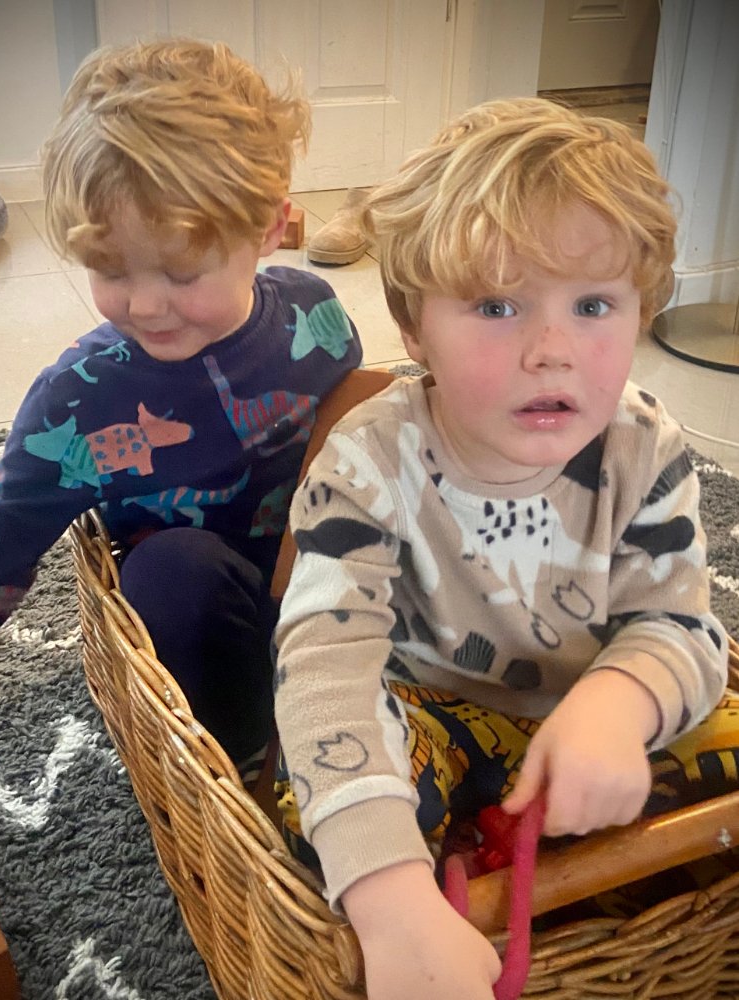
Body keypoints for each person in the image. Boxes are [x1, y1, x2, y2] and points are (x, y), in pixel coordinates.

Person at [272, 97, 733, 999]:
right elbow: (323, 664)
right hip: (433, 717)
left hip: (588, 728)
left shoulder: (645, 445)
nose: (552, 351)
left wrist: (621, 702)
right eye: (496, 305)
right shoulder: (369, 458)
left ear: (641, 311)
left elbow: (683, 627)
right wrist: (388, 896)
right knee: (320, 792)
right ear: (414, 327)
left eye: (593, 305)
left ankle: (586, 867)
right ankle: (432, 892)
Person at [0, 38, 362, 784]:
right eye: (110, 270)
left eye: (182, 271)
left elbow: (363, 426)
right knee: (168, 571)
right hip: (214, 630)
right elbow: (4, 535)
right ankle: (242, 762)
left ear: (270, 229)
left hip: (340, 600)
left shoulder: (314, 312)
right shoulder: (78, 397)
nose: (146, 305)